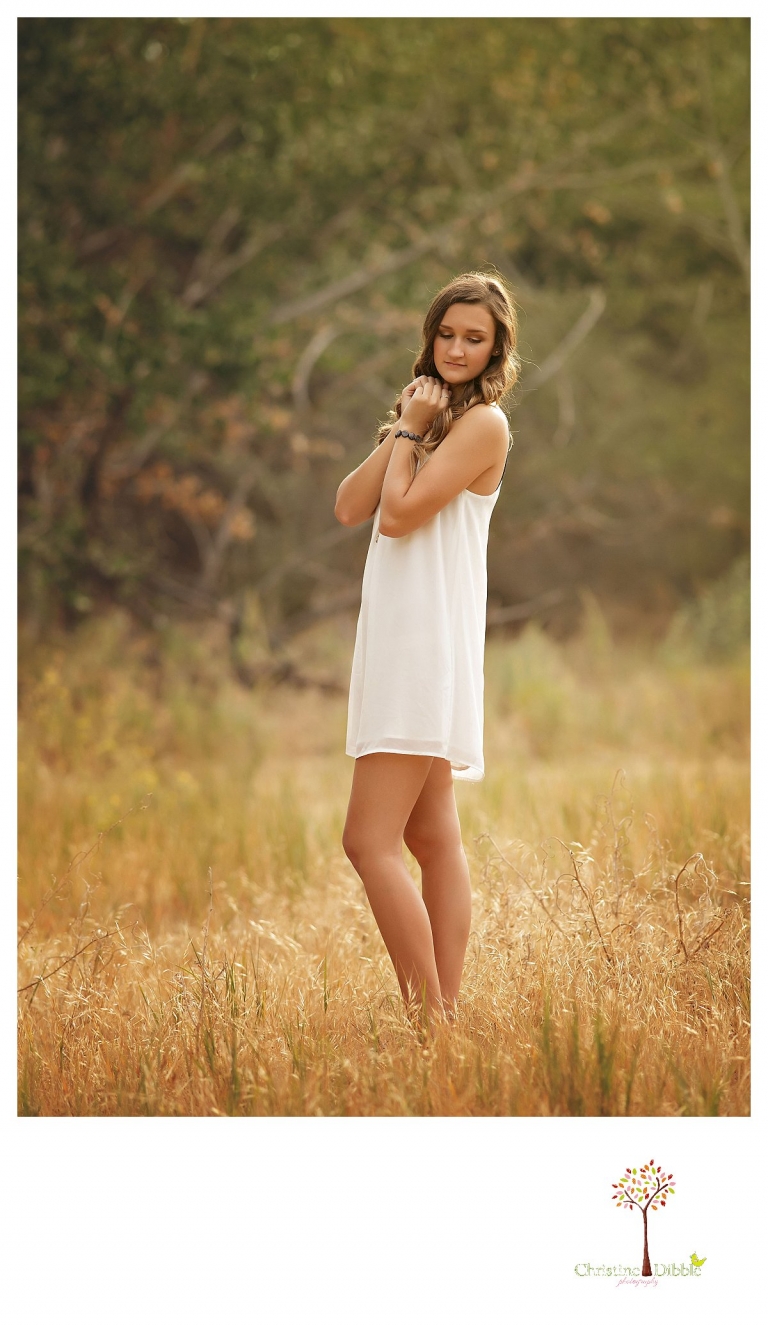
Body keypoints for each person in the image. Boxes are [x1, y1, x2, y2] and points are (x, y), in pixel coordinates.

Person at [334, 271, 520, 1023]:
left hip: (422, 646)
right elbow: (352, 507)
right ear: (430, 335)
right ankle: (445, 1026)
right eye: (447, 333)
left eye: (474, 339)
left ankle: (431, 1019)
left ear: (495, 349)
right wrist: (407, 425)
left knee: (366, 841)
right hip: (399, 641)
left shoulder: (483, 426)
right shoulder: (423, 416)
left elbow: (402, 516)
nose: (456, 348)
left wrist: (409, 432)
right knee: (429, 834)